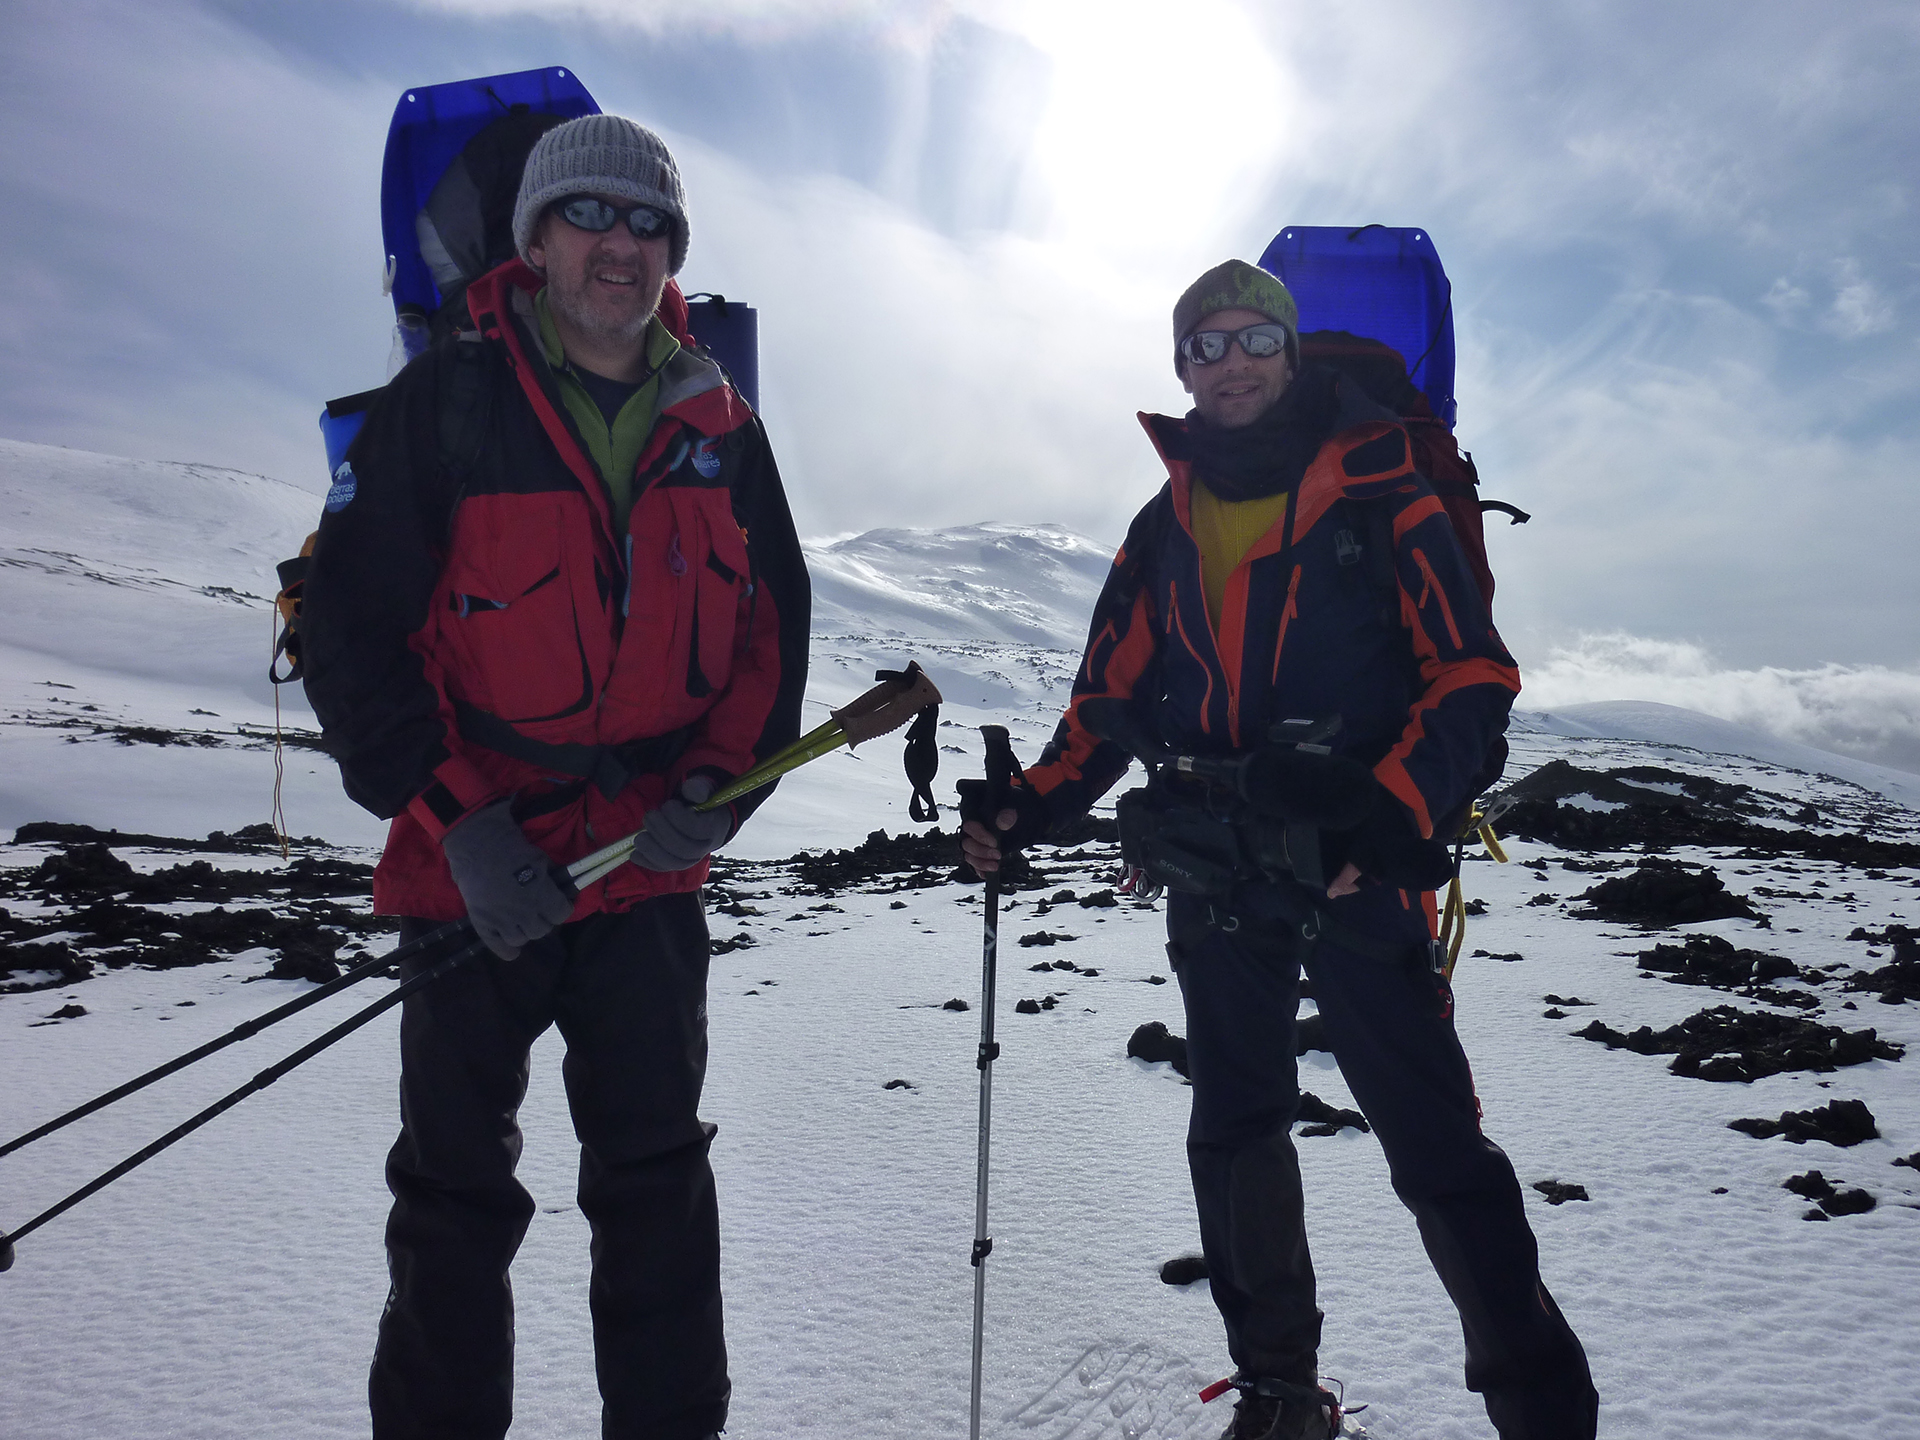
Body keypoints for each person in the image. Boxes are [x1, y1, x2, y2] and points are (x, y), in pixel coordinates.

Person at [961, 260, 1597, 1440]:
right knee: (1235, 1129)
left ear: (1292, 351)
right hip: (1213, 870)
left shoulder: (1384, 488)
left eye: (1254, 338)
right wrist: (1025, 810)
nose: (1232, 362)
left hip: (1355, 869)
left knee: (1433, 1146)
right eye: (1205, 345)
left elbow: (1472, 674)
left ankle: (1543, 1411)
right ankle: (1278, 1396)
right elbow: (1104, 707)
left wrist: (1393, 817)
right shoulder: (1164, 524)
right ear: (1181, 367)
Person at [301, 114, 809, 1440]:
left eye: (650, 224)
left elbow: (770, 639)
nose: (620, 246)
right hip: (475, 873)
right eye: (589, 215)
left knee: (655, 1181)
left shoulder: (722, 425)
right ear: (534, 240)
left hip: (646, 872)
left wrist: (716, 791)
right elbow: (353, 639)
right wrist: (463, 830)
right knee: (454, 1197)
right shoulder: (447, 408)